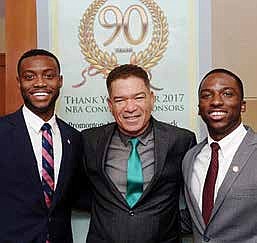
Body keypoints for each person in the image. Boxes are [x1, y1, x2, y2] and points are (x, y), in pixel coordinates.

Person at [82, 64, 196, 243]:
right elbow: (76, 193)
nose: (130, 107)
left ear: (151, 98)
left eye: (138, 97)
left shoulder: (181, 141)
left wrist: (164, 224)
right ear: (110, 105)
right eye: (120, 100)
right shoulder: (89, 141)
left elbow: (197, 198)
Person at [0, 49, 88, 242]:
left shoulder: (73, 138)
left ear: (60, 81)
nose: (40, 83)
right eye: (29, 76)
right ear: (19, 82)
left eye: (48, 76)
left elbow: (78, 196)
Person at [182, 68, 257, 243]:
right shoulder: (191, 158)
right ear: (199, 108)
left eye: (227, 94)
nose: (216, 101)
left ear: (242, 105)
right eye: (207, 95)